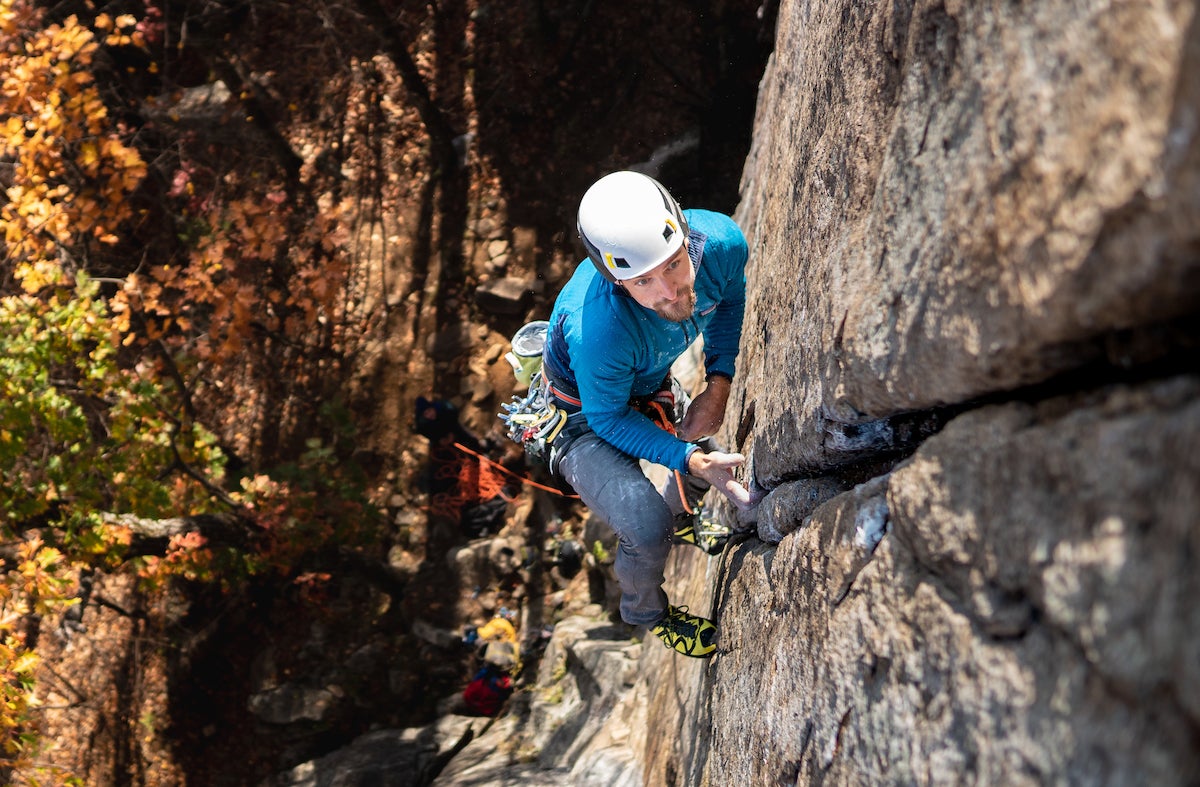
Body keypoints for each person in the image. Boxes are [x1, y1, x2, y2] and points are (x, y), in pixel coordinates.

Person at [540, 170, 754, 658]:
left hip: (641, 381)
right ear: (616, 281)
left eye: (674, 264)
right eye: (644, 281)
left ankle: (680, 519)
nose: (670, 292)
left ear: (684, 234)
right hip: (579, 417)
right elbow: (609, 421)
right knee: (643, 522)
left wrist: (718, 384)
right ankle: (647, 612)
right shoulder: (600, 330)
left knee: (703, 450)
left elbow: (731, 296)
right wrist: (689, 459)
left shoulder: (719, 243)